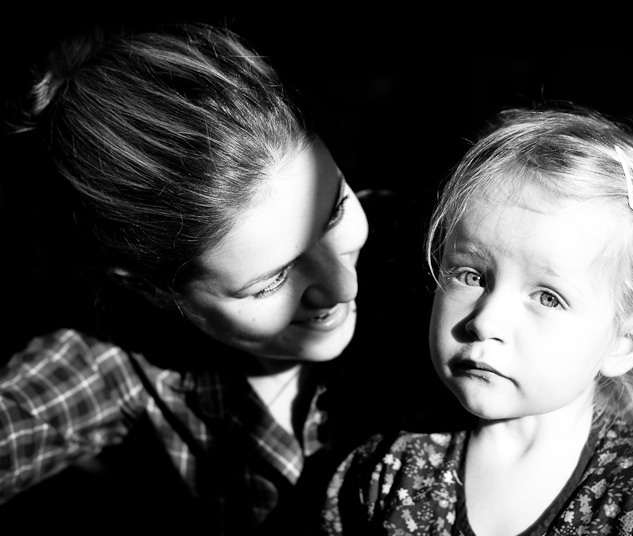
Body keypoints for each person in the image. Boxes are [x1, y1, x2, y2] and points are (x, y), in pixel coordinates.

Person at [320, 106, 633, 535]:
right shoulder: (392, 467)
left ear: (624, 343)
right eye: (471, 275)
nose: (486, 321)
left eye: (548, 298)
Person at [0, 22, 372, 535]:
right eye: (270, 282)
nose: (345, 288)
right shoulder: (126, 355)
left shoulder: (447, 256)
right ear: (148, 287)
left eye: (334, 212)